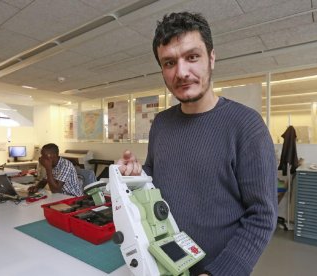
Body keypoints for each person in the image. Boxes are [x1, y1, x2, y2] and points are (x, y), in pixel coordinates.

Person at [117, 12, 278, 276]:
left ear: (211, 58)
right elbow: (154, 179)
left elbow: (262, 216)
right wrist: (135, 175)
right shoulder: (161, 123)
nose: (181, 72)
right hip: (163, 262)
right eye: (169, 63)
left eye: (192, 57)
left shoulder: (246, 125)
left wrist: (218, 273)